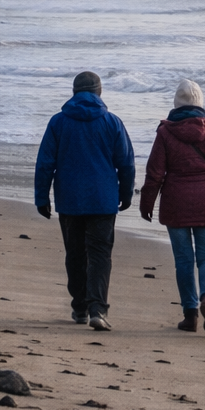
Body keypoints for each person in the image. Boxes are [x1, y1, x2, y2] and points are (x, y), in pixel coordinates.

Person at [35, 71, 135, 332]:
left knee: (75, 254)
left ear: (74, 92)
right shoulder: (113, 123)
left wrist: (41, 197)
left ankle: (79, 307)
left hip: (69, 199)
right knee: (100, 255)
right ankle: (97, 309)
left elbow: (45, 163)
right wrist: (125, 194)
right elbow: (126, 163)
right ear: (99, 92)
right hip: (103, 199)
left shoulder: (58, 123)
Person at [139, 78, 205, 334]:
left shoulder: (165, 132)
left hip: (176, 204)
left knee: (183, 260)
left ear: (176, 104)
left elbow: (154, 173)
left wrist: (146, 203)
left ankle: (190, 314)